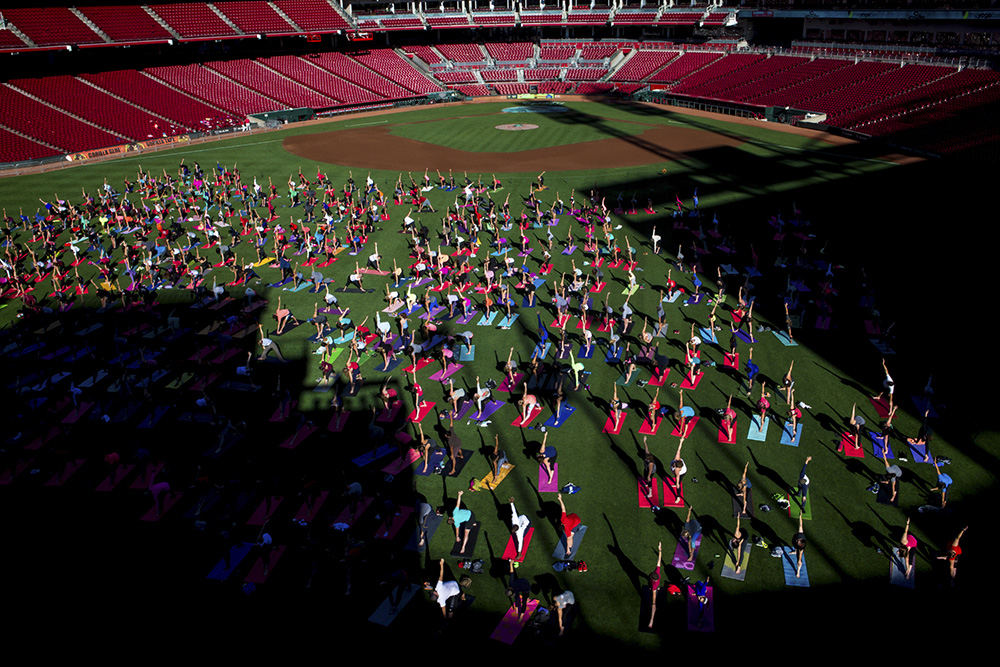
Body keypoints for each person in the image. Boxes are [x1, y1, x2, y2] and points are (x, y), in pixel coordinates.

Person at [557, 492, 581, 557]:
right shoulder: (563, 519)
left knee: (570, 537)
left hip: (577, 523)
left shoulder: (567, 530)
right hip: (574, 516)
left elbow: (568, 539)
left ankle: (569, 550)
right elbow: (563, 509)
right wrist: (560, 499)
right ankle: (569, 550)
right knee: (570, 535)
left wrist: (568, 549)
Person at [451, 490, 475, 555]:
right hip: (470, 512)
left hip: (470, 518)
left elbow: (457, 530)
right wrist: (459, 495)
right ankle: (473, 523)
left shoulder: (456, 523)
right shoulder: (454, 513)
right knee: (467, 524)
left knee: (466, 534)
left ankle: (463, 547)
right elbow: (458, 503)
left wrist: (457, 537)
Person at [647, 541, 662, 629]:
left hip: (654, 589)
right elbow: (659, 560)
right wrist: (660, 550)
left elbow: (653, 594)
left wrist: (653, 603)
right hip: (653, 586)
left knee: (653, 603)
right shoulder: (657, 571)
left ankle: (651, 620)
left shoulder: (654, 586)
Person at [792, 513, 807, 578]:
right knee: (795, 546)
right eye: (798, 540)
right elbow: (800, 524)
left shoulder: (801, 548)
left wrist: (799, 560)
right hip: (794, 539)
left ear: (801, 544)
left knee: (799, 562)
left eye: (798, 541)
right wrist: (800, 516)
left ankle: (798, 572)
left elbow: (800, 554)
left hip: (798, 548)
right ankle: (795, 551)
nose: (798, 541)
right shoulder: (800, 533)